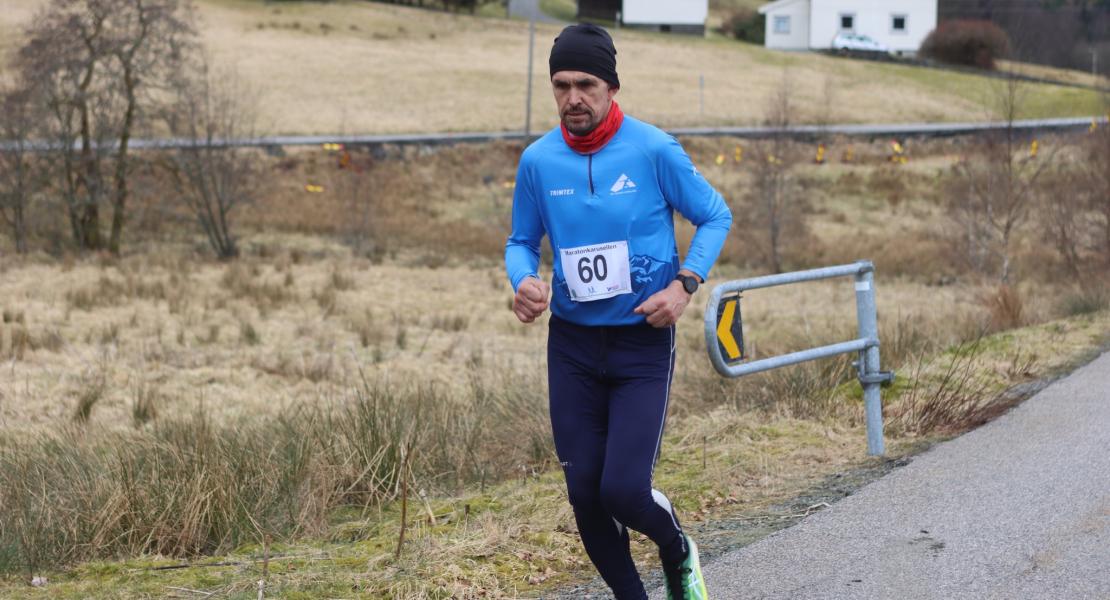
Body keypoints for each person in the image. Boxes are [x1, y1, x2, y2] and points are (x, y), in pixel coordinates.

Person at [504, 23, 732, 600]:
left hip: (641, 343)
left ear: (611, 87)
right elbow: (521, 241)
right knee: (585, 494)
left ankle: (677, 549)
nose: (573, 98)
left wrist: (684, 285)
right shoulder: (538, 161)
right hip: (573, 347)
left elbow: (715, 216)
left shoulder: (652, 149)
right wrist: (523, 279)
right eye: (561, 85)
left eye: (586, 84)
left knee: (624, 491)